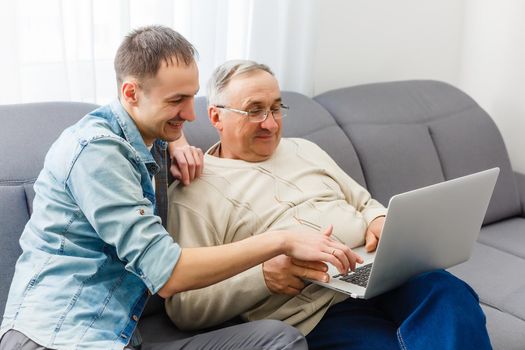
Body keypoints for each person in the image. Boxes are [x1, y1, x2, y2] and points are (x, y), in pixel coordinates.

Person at [0, 27, 357, 350]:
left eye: (192, 98)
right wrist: (280, 239)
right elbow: (168, 274)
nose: (191, 114)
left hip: (120, 335)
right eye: (177, 101)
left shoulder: (148, 133)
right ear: (131, 93)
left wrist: (175, 138)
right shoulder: (96, 153)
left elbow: (157, 118)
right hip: (59, 336)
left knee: (278, 340)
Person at [165, 59, 493, 350]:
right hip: (316, 310)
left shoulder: (304, 149)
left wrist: (379, 220)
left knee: (450, 295)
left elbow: (363, 202)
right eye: (254, 111)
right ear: (215, 117)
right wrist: (262, 276)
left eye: (276, 108)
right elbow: (184, 306)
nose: (270, 123)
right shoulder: (195, 192)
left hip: (380, 274)